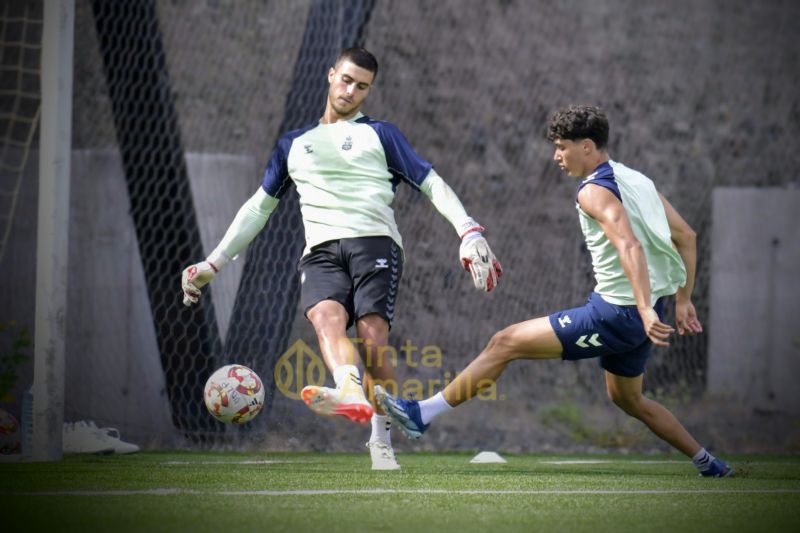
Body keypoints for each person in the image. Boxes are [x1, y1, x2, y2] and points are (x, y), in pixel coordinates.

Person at [180, 47, 502, 470]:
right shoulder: (294, 144)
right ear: (331, 75)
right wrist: (214, 262)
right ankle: (349, 391)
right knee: (326, 318)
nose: (351, 91)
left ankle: (381, 439)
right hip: (320, 250)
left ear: (369, 90)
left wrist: (468, 231)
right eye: (346, 80)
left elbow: (431, 183)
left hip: (375, 243)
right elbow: (258, 208)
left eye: (362, 86)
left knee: (373, 340)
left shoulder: (382, 134)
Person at [377, 105, 733, 478]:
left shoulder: (593, 192)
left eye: (563, 147)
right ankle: (707, 462)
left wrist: (643, 309)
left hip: (617, 314)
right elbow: (686, 237)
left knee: (504, 342)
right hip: (643, 312)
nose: (556, 156)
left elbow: (629, 245)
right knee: (627, 398)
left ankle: (422, 415)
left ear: (588, 147)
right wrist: (682, 299)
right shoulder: (637, 180)